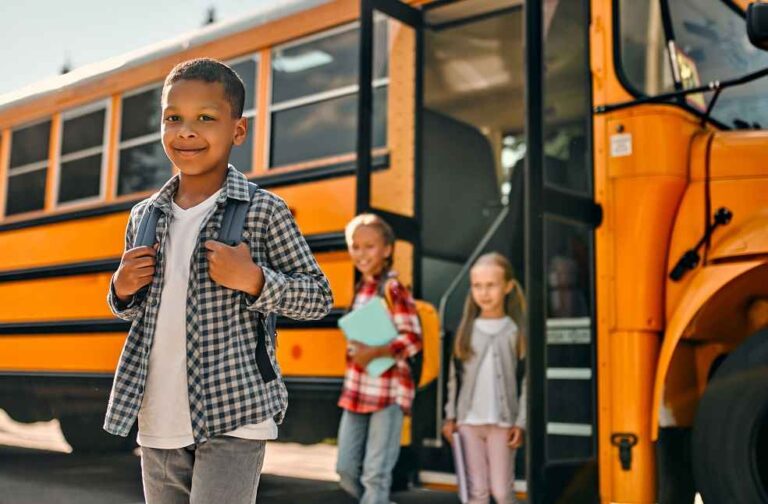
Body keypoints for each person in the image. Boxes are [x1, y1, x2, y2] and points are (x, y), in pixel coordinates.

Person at [104, 58, 333, 504]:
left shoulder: (263, 211)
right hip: (158, 415)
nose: (186, 131)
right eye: (174, 118)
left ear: (237, 131)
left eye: (205, 118)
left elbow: (319, 296)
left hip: (234, 409)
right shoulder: (145, 217)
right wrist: (121, 288)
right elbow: (137, 310)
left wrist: (254, 279)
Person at [336, 213, 422, 504]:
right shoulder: (361, 287)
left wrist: (376, 352)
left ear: (387, 250)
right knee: (346, 468)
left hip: (387, 392)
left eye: (369, 246)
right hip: (357, 389)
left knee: (375, 474)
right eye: (355, 246)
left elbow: (413, 339)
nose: (361, 253)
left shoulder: (394, 289)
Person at [442, 252, 527, 504]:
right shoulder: (467, 330)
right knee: (476, 493)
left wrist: (521, 423)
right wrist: (450, 416)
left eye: (491, 285)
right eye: (477, 286)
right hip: (469, 422)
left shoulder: (515, 331)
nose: (484, 293)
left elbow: (526, 383)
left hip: (503, 424)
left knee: (502, 491)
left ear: (508, 287)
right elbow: (453, 379)